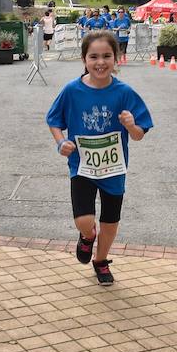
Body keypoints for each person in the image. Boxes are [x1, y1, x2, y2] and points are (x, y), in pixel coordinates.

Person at [46, 30, 153, 286]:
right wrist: (61, 142)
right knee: (84, 220)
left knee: (110, 220)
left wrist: (130, 125)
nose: (100, 62)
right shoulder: (72, 90)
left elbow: (139, 135)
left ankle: (101, 260)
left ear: (116, 58)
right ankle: (87, 236)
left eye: (107, 56)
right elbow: (54, 120)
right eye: (94, 56)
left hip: (113, 168)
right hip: (82, 166)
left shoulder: (124, 92)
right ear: (84, 59)